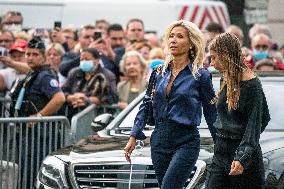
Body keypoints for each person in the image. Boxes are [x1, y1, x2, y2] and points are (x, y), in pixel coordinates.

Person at [124, 20, 217, 189]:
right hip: (159, 140)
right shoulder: (158, 72)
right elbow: (146, 105)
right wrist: (133, 136)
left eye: (180, 36)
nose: (173, 40)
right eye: (171, 36)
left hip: (186, 140)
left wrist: (221, 145)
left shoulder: (201, 76)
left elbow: (211, 112)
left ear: (191, 44)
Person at [205, 32, 270, 189]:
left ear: (226, 55)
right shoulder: (224, 78)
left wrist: (242, 156)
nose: (212, 63)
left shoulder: (252, 85)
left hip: (242, 153)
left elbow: (258, 122)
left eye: (214, 57)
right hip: (220, 150)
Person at [62, 48, 118, 119]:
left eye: (87, 59)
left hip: (99, 117)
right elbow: (63, 91)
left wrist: (88, 100)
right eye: (82, 59)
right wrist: (71, 98)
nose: (84, 62)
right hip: (74, 116)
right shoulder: (74, 73)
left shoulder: (107, 75)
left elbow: (113, 97)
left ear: (97, 61)